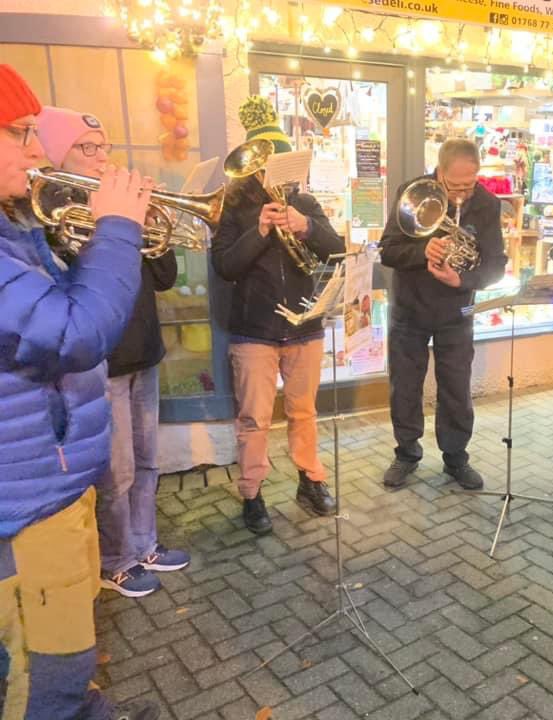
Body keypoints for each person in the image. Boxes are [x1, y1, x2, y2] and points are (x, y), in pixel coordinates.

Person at [0, 65, 158, 719]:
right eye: (22, 132)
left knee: (67, 647)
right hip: (27, 504)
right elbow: (75, 330)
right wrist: (117, 228)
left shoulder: (14, 227)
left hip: (50, 481)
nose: (39, 151)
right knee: (45, 670)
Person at [36, 106, 189, 599]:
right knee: (116, 471)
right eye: (87, 148)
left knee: (147, 461)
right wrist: (112, 226)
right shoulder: (53, 217)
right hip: (103, 362)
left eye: (104, 148)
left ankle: (144, 544)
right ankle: (115, 560)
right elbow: (72, 288)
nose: (102, 157)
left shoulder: (114, 207)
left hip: (144, 351)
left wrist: (142, 222)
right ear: (59, 155)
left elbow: (163, 278)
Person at [211, 96, 345, 536]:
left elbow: (333, 248)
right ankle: (252, 493)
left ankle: (310, 479)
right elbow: (225, 266)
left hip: (302, 326)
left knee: (304, 412)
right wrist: (261, 229)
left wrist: (303, 225)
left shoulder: (303, 203)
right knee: (254, 419)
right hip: (255, 332)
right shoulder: (232, 208)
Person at [379, 139, 507, 490]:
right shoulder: (414, 193)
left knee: (456, 387)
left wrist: (462, 278)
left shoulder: (487, 204)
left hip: (457, 310)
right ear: (439, 172)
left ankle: (455, 458)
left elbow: (496, 265)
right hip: (410, 308)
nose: (463, 195)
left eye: (470, 184)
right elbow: (388, 250)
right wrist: (424, 251)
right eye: (455, 186)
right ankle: (406, 453)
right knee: (404, 385)